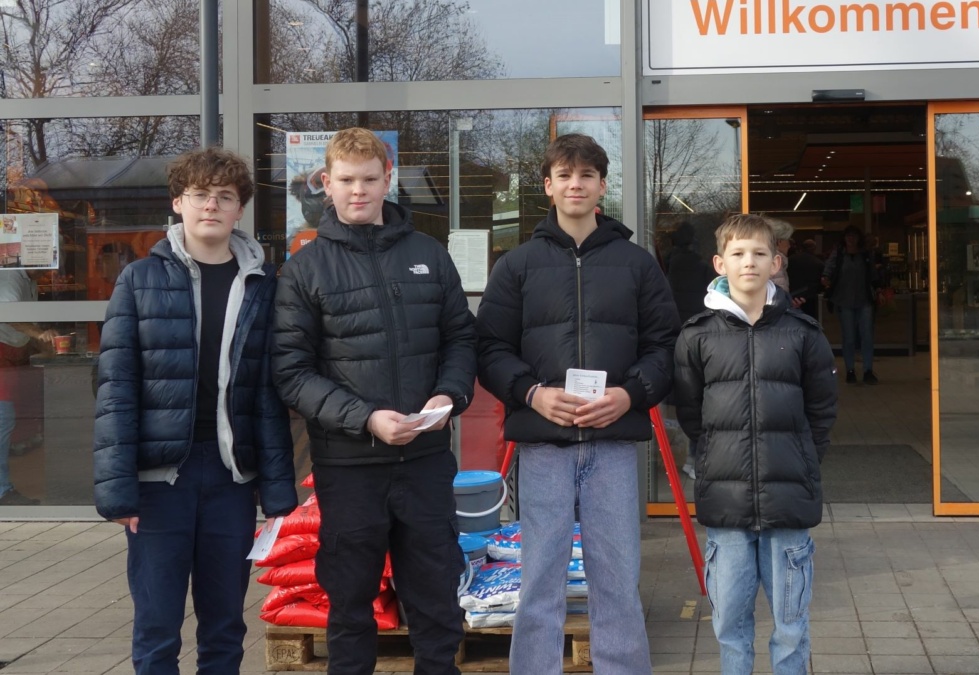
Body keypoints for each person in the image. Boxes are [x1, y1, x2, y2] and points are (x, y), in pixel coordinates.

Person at [272, 127, 476, 675]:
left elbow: (460, 338)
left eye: (368, 179)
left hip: (426, 462)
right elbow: (291, 373)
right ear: (325, 184)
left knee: (436, 599)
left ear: (389, 179)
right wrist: (366, 420)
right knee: (350, 604)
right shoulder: (304, 269)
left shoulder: (428, 254)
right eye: (345, 180)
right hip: (349, 467)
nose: (357, 191)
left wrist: (449, 395)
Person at [476, 133, 680, 674]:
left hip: (612, 449)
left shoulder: (637, 265)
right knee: (539, 577)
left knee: (616, 578)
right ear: (547, 186)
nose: (575, 184)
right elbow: (489, 348)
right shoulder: (516, 266)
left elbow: (667, 345)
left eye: (586, 175)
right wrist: (532, 394)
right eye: (565, 175)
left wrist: (629, 394)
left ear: (602, 186)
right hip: (543, 449)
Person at [93, 147, 298, 674]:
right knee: (158, 627)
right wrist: (118, 489)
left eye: (225, 196)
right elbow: (116, 387)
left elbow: (268, 396)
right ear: (179, 202)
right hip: (159, 482)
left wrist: (276, 490)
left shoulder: (263, 285)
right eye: (201, 194)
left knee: (226, 624)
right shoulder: (139, 281)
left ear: (239, 210)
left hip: (230, 479)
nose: (212, 205)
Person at [673, 213, 838, 675]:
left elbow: (822, 409)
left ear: (776, 262)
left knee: (791, 626)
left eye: (760, 253)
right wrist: (711, 460)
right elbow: (690, 412)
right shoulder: (697, 334)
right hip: (725, 504)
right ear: (719, 263)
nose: (749, 262)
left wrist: (805, 458)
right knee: (729, 624)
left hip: (788, 502)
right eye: (738, 253)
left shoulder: (803, 333)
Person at [0, 269, 57, 506]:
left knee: (5, 420)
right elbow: (9, 312)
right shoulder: (11, 276)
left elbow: (24, 321)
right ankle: (2, 490)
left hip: (11, 358)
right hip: (3, 355)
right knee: (3, 420)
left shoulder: (29, 281)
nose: (50, 270)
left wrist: (41, 344)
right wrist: (38, 334)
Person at [664, 220, 714, 479]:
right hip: (700, 330)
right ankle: (695, 458)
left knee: (687, 395)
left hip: (677, 329)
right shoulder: (700, 265)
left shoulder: (669, 263)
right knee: (702, 396)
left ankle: (689, 458)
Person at [823, 225, 881, 384]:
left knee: (866, 336)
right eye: (848, 236)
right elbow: (829, 268)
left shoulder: (865, 254)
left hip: (864, 299)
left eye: (854, 236)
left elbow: (873, 275)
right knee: (849, 337)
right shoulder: (840, 254)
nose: (851, 239)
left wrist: (877, 289)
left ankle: (867, 370)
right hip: (844, 299)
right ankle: (850, 370)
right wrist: (826, 278)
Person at [787, 238, 825, 321]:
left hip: (793, 294)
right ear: (814, 248)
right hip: (810, 296)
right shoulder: (818, 262)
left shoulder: (790, 260)